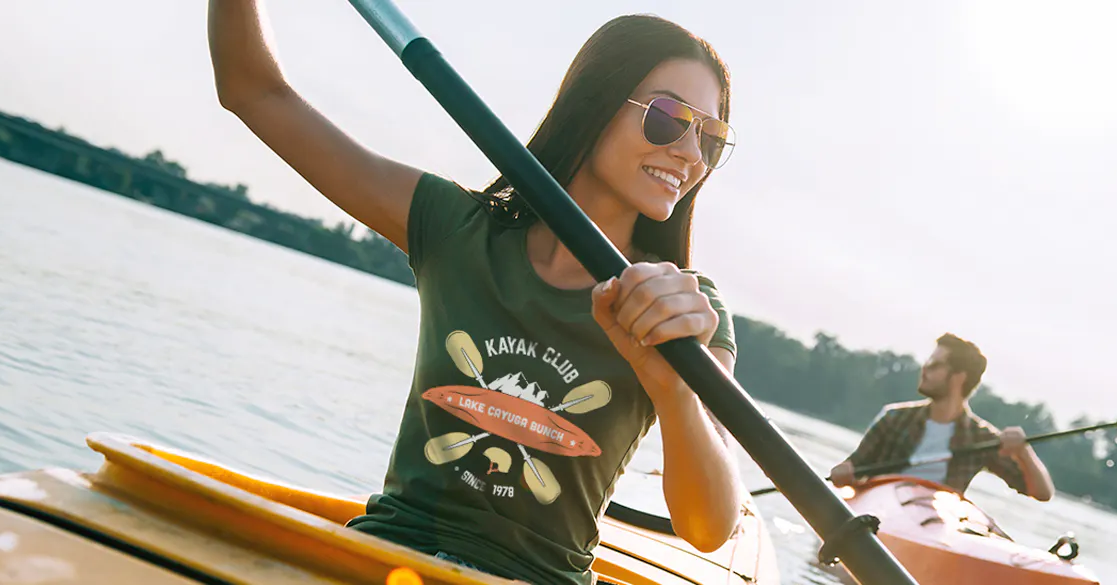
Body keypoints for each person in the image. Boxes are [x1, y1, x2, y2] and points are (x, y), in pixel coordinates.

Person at [208, 3, 745, 583]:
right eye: (668, 119)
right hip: (384, 557)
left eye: (710, 137)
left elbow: (710, 527)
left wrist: (671, 388)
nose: (691, 154)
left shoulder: (686, 309)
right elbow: (253, 91)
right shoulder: (455, 228)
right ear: (596, 101)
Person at [829, 334, 1056, 501]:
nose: (924, 369)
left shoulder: (980, 438)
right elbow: (854, 466)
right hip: (881, 507)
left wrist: (1023, 452)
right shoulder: (894, 418)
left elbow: (1042, 493)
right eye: (927, 362)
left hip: (935, 522)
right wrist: (843, 473)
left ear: (958, 377)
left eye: (935, 365)